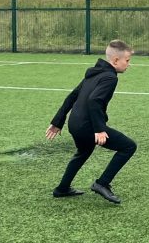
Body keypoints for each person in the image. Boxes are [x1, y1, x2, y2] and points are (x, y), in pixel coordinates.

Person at [46, 40, 137, 204]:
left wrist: (58, 121)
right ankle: (101, 183)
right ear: (116, 60)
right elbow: (94, 101)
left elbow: (72, 96)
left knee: (83, 152)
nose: (128, 65)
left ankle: (62, 189)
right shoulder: (110, 77)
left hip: (75, 124)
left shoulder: (94, 72)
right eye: (127, 61)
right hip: (87, 126)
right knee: (128, 146)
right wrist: (100, 130)